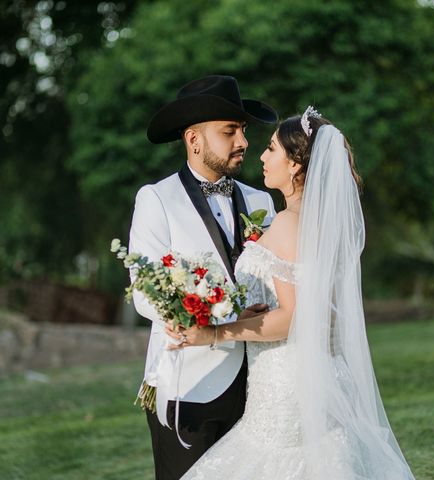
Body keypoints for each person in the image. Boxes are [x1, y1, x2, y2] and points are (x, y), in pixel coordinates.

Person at [166, 108, 416, 479]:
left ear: (296, 164)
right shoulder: (319, 226)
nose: (261, 156)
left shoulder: (287, 223)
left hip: (290, 383)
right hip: (322, 374)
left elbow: (294, 317)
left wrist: (216, 332)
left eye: (271, 149)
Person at [129, 74, 278, 479]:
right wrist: (219, 314)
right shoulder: (156, 200)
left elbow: (277, 283)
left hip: (261, 383)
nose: (244, 142)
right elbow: (145, 292)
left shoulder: (262, 201)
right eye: (230, 131)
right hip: (189, 385)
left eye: (243, 131)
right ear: (194, 139)